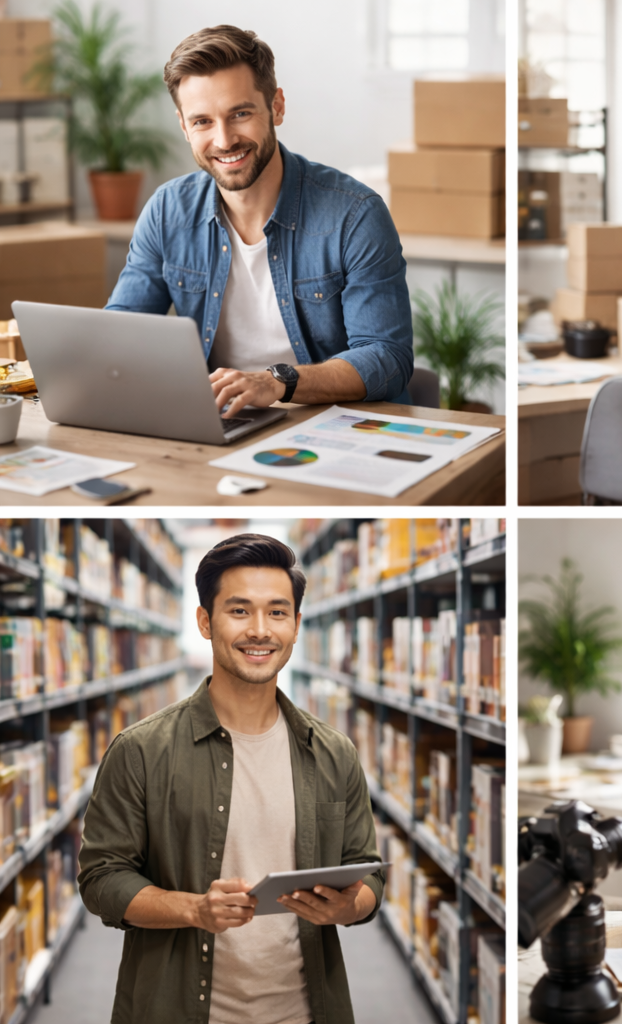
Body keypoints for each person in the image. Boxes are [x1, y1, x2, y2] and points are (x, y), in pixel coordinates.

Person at [78, 534, 385, 1024]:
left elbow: (368, 873)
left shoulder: (334, 753)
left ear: (297, 626)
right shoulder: (140, 750)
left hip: (305, 1010)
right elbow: (101, 879)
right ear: (205, 621)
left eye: (277, 613)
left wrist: (345, 908)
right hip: (179, 1010)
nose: (260, 631)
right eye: (239, 611)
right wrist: (194, 910)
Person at [107, 25, 413, 419]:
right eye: (202, 122)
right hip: (221, 422)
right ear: (184, 126)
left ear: (277, 107)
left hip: (337, 425)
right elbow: (121, 333)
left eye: (240, 113)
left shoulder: (355, 214)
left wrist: (276, 382)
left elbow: (387, 357)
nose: (224, 140)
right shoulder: (168, 210)